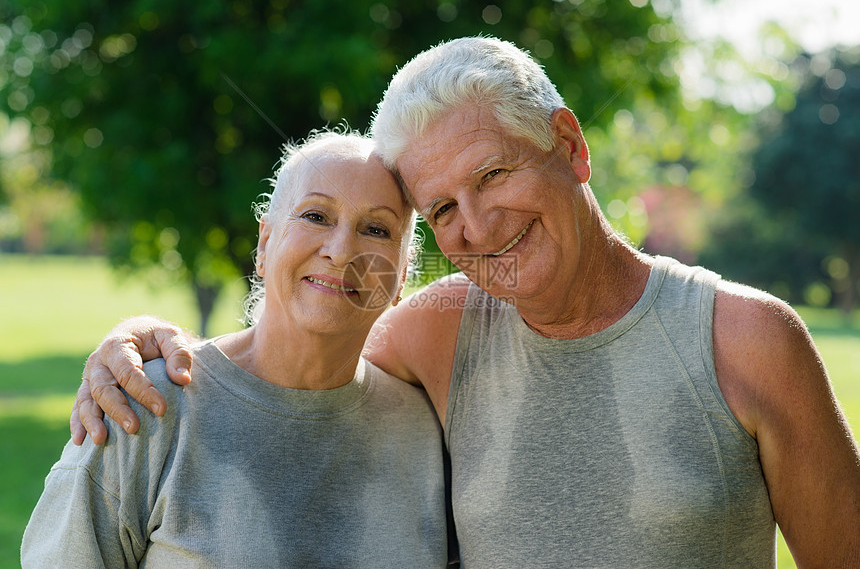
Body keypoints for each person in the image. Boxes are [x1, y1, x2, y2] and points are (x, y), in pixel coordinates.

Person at [71, 37, 860, 567]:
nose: (479, 227)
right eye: (442, 209)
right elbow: (292, 357)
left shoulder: (748, 342)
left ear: (570, 146)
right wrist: (139, 342)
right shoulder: (436, 336)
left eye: (493, 175)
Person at [23, 130, 452, 568]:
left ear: (401, 277)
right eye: (316, 216)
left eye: (376, 229)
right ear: (265, 243)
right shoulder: (142, 407)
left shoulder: (426, 431)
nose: (342, 252)